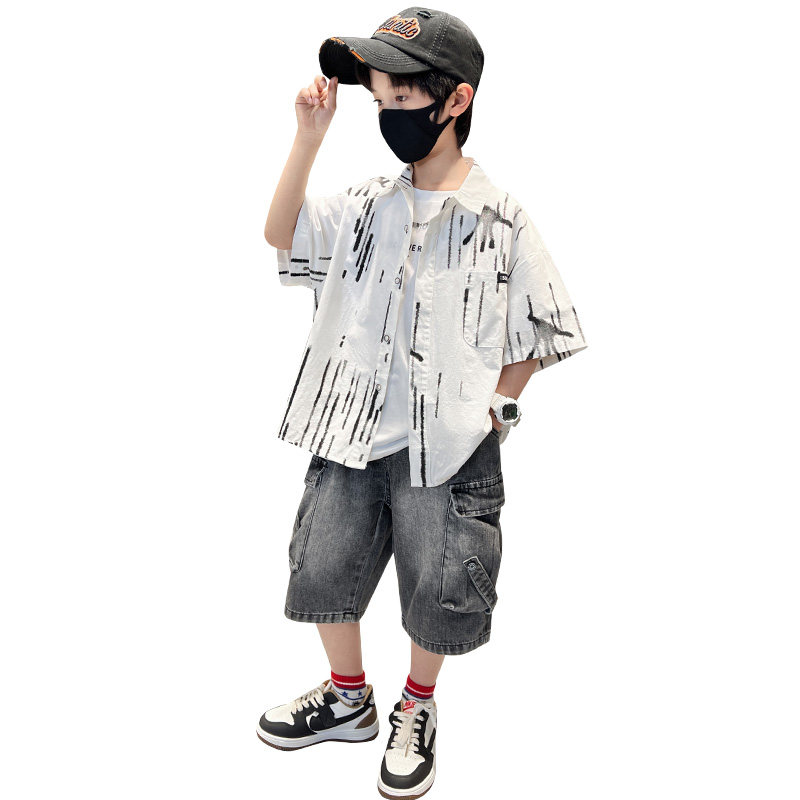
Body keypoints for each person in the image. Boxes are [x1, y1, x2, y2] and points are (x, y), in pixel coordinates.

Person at [257, 8, 588, 798]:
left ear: (455, 100)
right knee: (323, 565)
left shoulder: (500, 217)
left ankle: (417, 703)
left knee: (439, 583)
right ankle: (348, 699)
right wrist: (308, 139)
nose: (389, 115)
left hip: (447, 444)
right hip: (349, 431)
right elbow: (281, 235)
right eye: (379, 102)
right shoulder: (366, 202)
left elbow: (543, 323)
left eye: (403, 100)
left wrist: (498, 411)